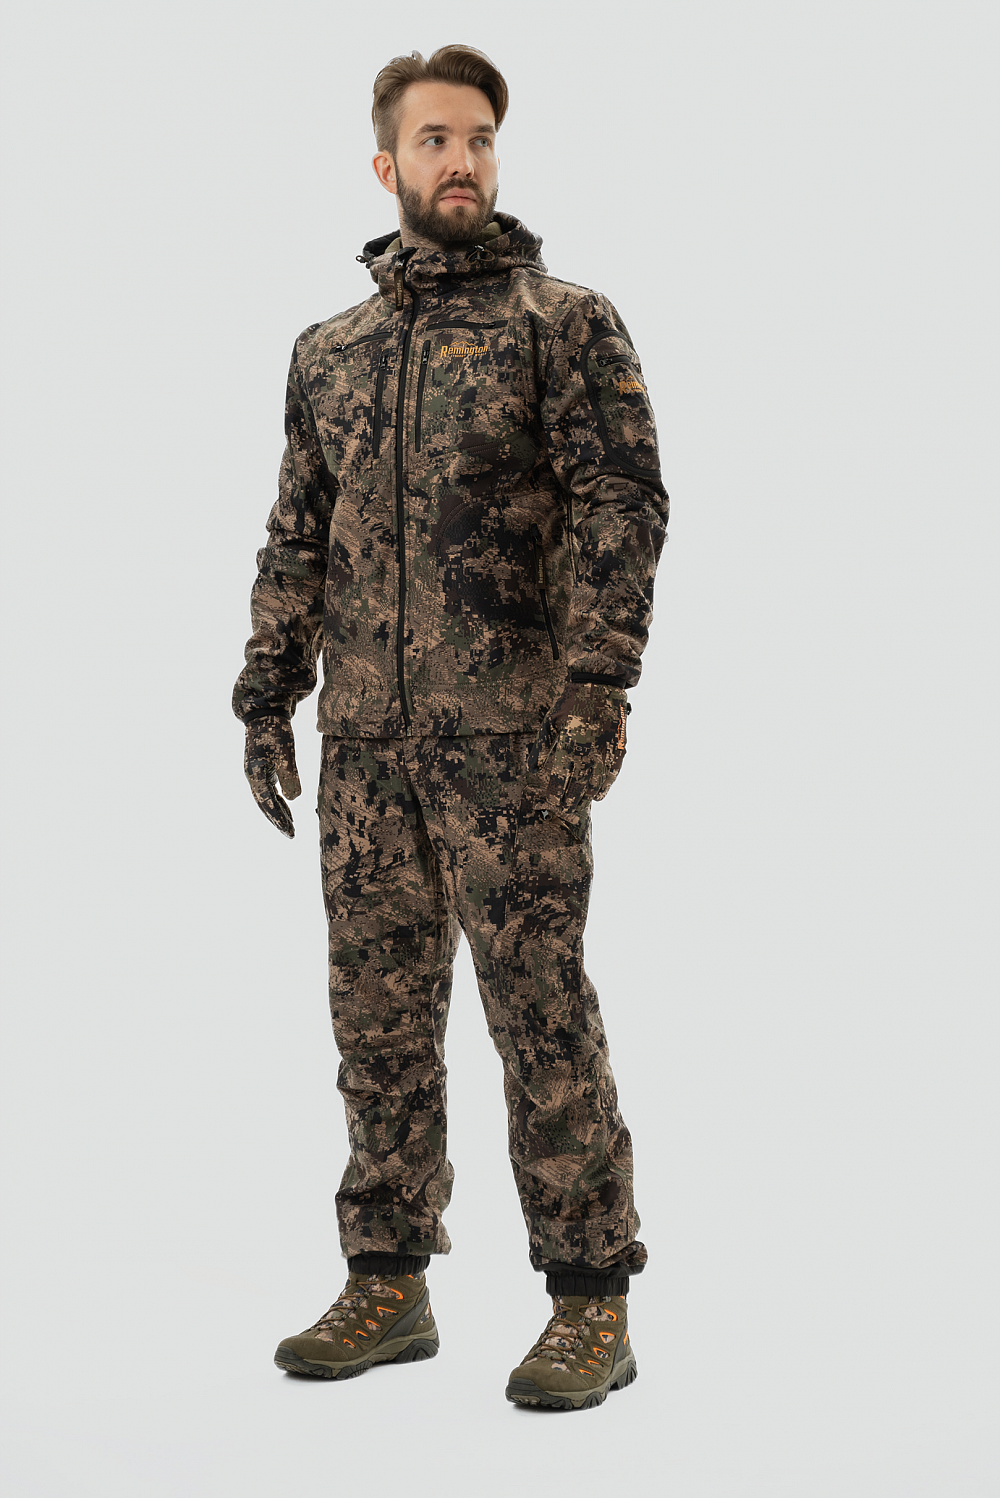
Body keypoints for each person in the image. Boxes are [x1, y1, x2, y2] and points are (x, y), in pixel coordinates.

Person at [233, 43, 668, 1411]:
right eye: (434, 140)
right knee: (377, 1019)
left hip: (514, 746)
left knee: (540, 1013)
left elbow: (623, 507)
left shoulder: (563, 325)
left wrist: (598, 688)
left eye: (478, 137)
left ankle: (591, 1299)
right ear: (388, 164)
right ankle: (387, 1280)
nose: (461, 160)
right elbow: (298, 533)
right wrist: (266, 688)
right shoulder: (330, 354)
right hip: (367, 748)